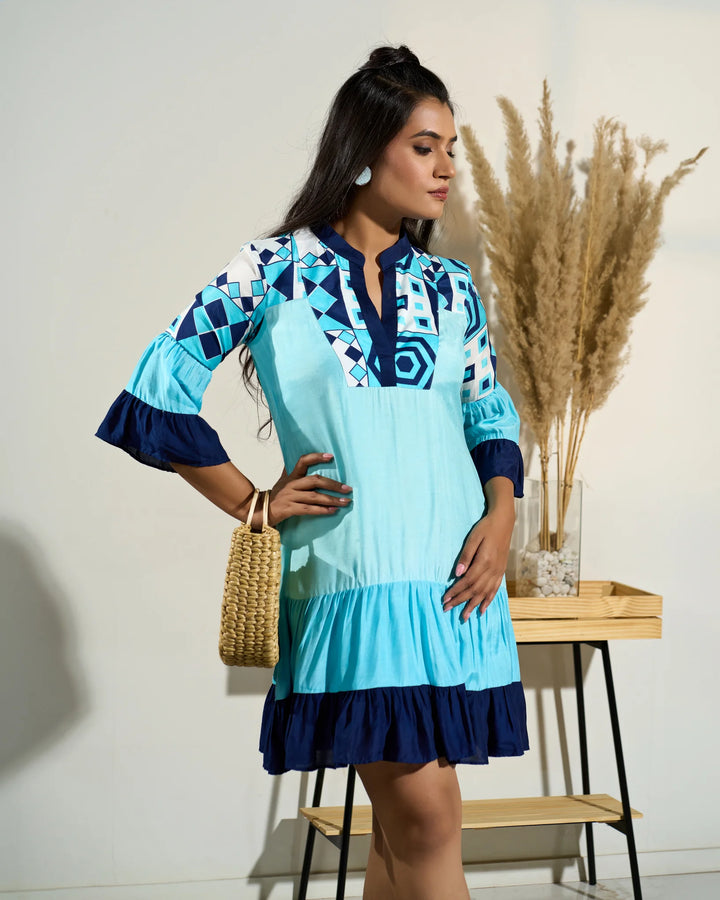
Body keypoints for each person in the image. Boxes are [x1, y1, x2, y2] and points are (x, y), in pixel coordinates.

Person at [96, 43, 529, 900]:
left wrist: (503, 512)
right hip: (348, 579)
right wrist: (250, 501)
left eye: (451, 148)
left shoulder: (452, 287)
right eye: (425, 147)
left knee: (400, 840)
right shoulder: (270, 271)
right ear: (364, 152)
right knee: (428, 821)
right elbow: (157, 391)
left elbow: (488, 414)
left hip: (454, 582)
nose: (447, 167)